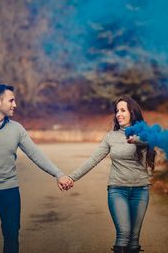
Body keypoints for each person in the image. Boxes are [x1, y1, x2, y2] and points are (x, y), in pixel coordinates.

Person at [0, 84, 72, 253]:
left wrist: (58, 174)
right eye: (11, 100)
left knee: (12, 237)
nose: (15, 104)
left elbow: (35, 154)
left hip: (10, 192)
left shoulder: (17, 129)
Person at [66, 96, 156, 253]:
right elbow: (93, 160)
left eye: (123, 110)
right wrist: (72, 177)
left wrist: (137, 140)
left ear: (132, 112)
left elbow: (151, 140)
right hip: (117, 190)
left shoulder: (143, 133)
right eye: (116, 111)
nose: (118, 114)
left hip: (140, 190)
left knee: (134, 239)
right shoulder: (111, 137)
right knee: (124, 234)